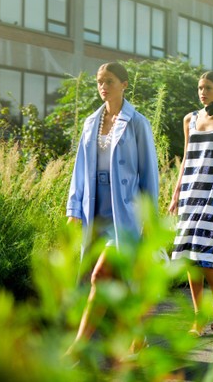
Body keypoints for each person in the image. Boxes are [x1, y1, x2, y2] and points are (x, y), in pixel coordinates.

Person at [65, 62, 159, 355]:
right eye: (99, 81)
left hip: (126, 215)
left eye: (109, 80)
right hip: (96, 211)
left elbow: (149, 176)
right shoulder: (90, 123)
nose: (102, 86)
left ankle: (78, 349)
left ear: (124, 84)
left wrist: (150, 225)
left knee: (100, 276)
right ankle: (138, 335)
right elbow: (79, 170)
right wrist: (74, 209)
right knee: (121, 282)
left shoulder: (138, 123)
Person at [167, 71, 213, 335]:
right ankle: (199, 316)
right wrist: (176, 193)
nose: (202, 92)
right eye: (200, 88)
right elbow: (186, 157)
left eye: (208, 87)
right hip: (190, 190)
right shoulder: (190, 119)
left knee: (205, 248)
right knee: (189, 253)